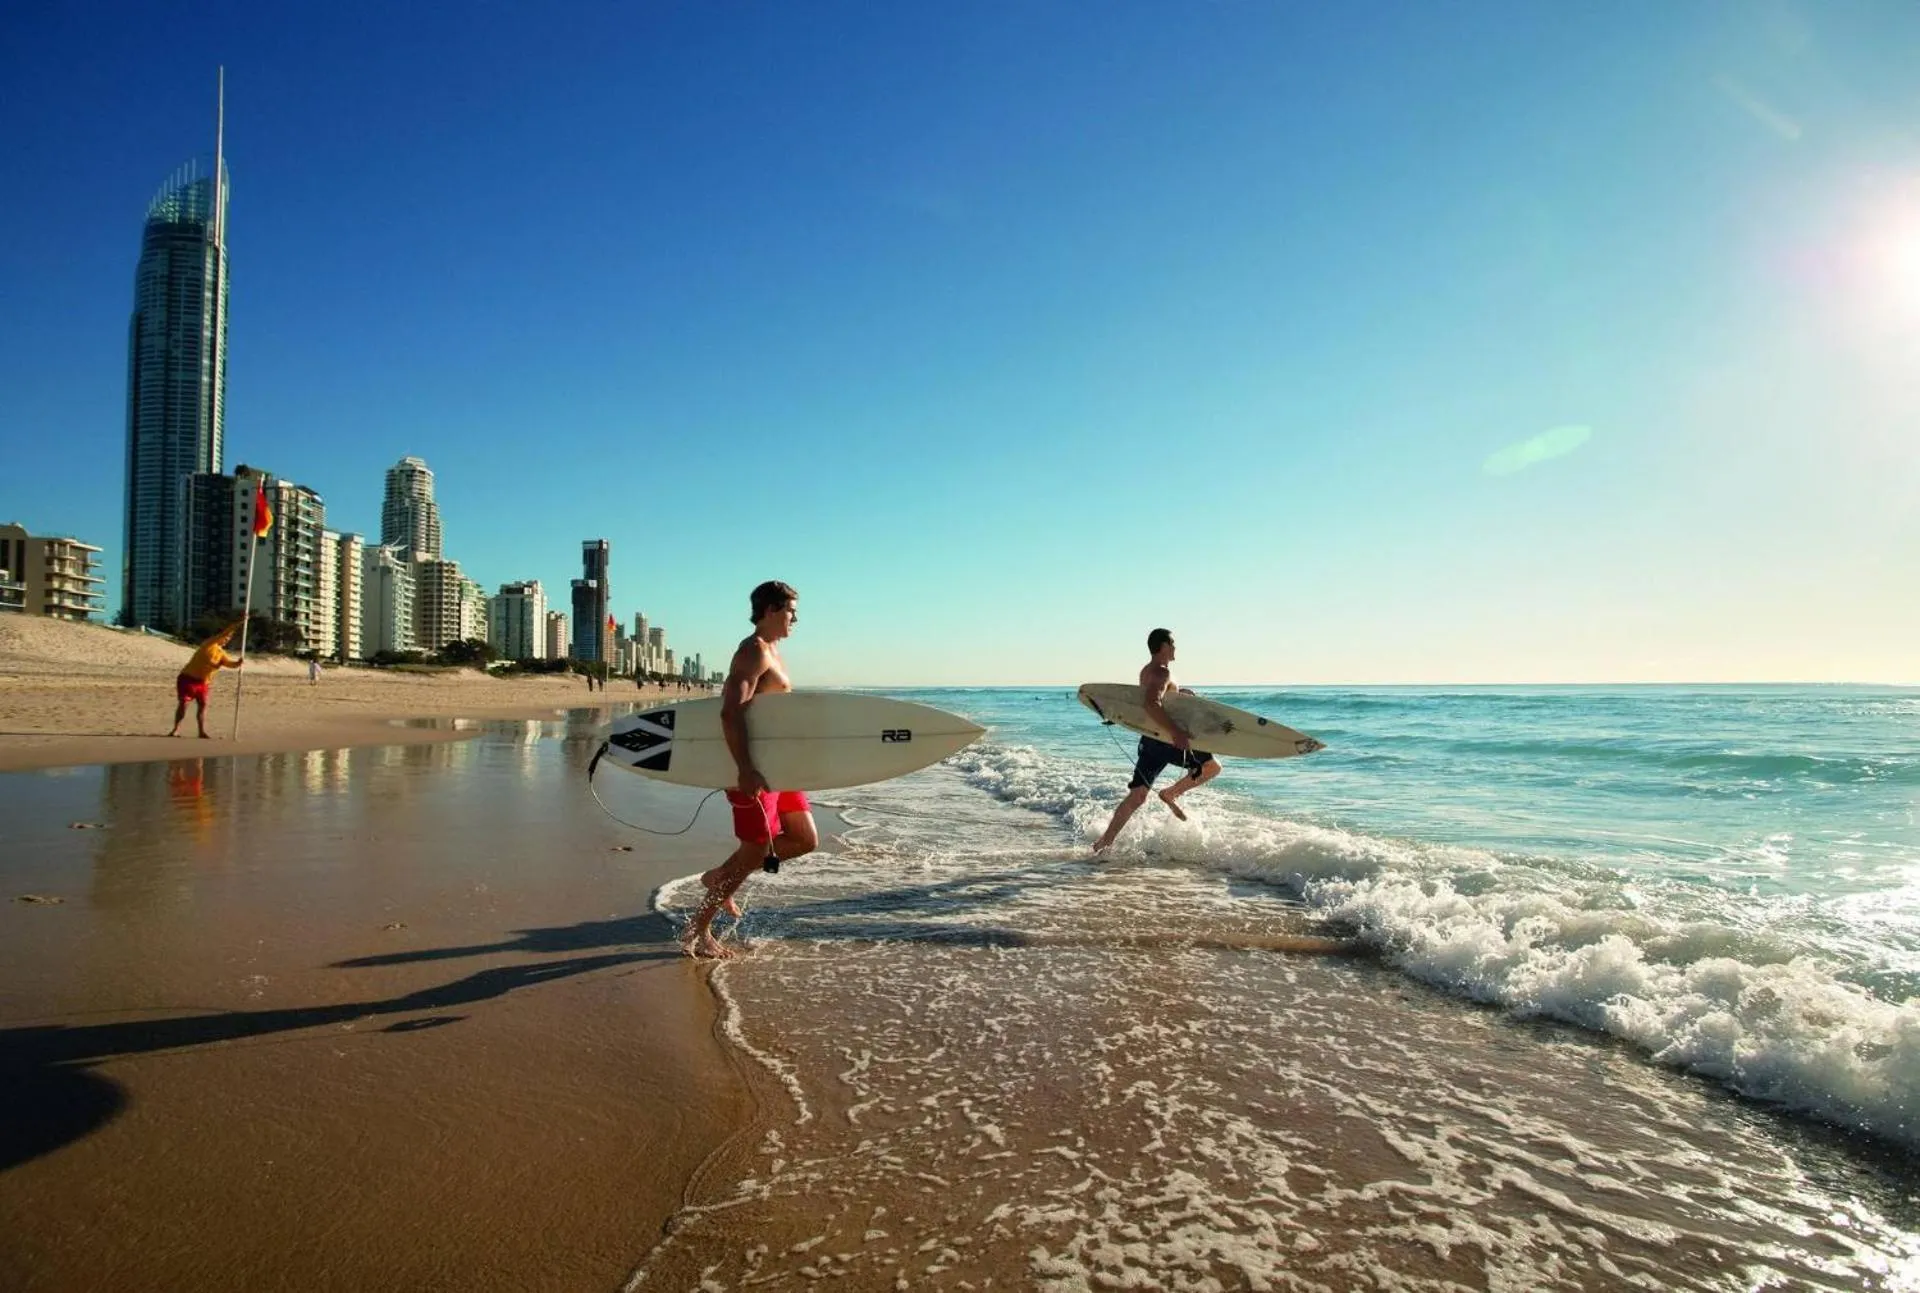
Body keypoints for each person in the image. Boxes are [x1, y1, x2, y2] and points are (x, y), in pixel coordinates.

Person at [684, 580, 818, 958]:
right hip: (753, 769)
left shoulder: (774, 652)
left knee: (804, 840)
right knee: (754, 849)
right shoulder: (753, 652)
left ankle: (720, 876)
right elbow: (731, 712)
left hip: (778, 768)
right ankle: (697, 930)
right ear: (772, 610)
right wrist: (745, 769)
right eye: (792, 611)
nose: (796, 618)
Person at [1091, 627, 1222, 853]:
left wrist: (1181, 695)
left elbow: (1153, 700)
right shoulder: (1162, 672)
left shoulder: (1147, 671)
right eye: (1172, 644)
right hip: (1166, 740)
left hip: (1151, 739)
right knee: (1212, 767)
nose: (1175, 648)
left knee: (1138, 795)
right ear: (1162, 646)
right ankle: (1171, 793)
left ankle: (1103, 844)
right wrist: (1176, 733)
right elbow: (1153, 703)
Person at [168, 621, 245, 739]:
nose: (227, 640)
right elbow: (226, 631)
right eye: (226, 637)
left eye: (228, 639)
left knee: (202, 705)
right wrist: (241, 622)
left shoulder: (221, 653)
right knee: (184, 704)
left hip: (203, 683)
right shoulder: (209, 644)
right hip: (188, 678)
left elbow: (230, 664)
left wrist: (238, 663)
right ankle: (176, 729)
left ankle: (201, 732)